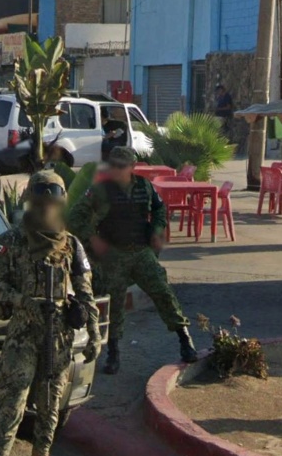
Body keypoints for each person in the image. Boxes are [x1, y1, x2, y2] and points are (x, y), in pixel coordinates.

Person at [0, 170, 101, 456]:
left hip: (58, 338)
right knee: (12, 408)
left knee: (50, 410)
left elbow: (85, 291)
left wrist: (93, 332)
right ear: (31, 200)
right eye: (41, 200)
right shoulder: (10, 242)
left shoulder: (72, 245)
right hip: (23, 337)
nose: (47, 208)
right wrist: (25, 302)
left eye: (53, 201)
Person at [68, 147, 198, 376]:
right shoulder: (100, 190)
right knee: (116, 303)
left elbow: (159, 209)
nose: (117, 170)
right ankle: (113, 353)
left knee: (162, 292)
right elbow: (76, 216)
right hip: (114, 254)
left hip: (140, 251)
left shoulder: (144, 187)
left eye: (122, 166)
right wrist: (93, 238)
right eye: (114, 165)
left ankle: (185, 338)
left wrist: (158, 230)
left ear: (132, 167)